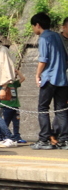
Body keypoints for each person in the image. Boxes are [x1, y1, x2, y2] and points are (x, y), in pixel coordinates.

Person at [30, 13, 68, 150]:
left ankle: (44, 139)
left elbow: (43, 60)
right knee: (61, 110)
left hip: (49, 78)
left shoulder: (44, 38)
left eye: (33, 26)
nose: (33, 29)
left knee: (43, 109)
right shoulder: (58, 36)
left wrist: (37, 75)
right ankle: (64, 140)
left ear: (38, 25)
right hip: (62, 80)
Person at [1, 71, 28, 144]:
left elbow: (22, 78)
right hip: (6, 106)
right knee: (6, 122)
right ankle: (6, 136)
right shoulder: (2, 85)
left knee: (16, 123)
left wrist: (17, 71)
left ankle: (17, 137)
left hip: (15, 106)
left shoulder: (14, 84)